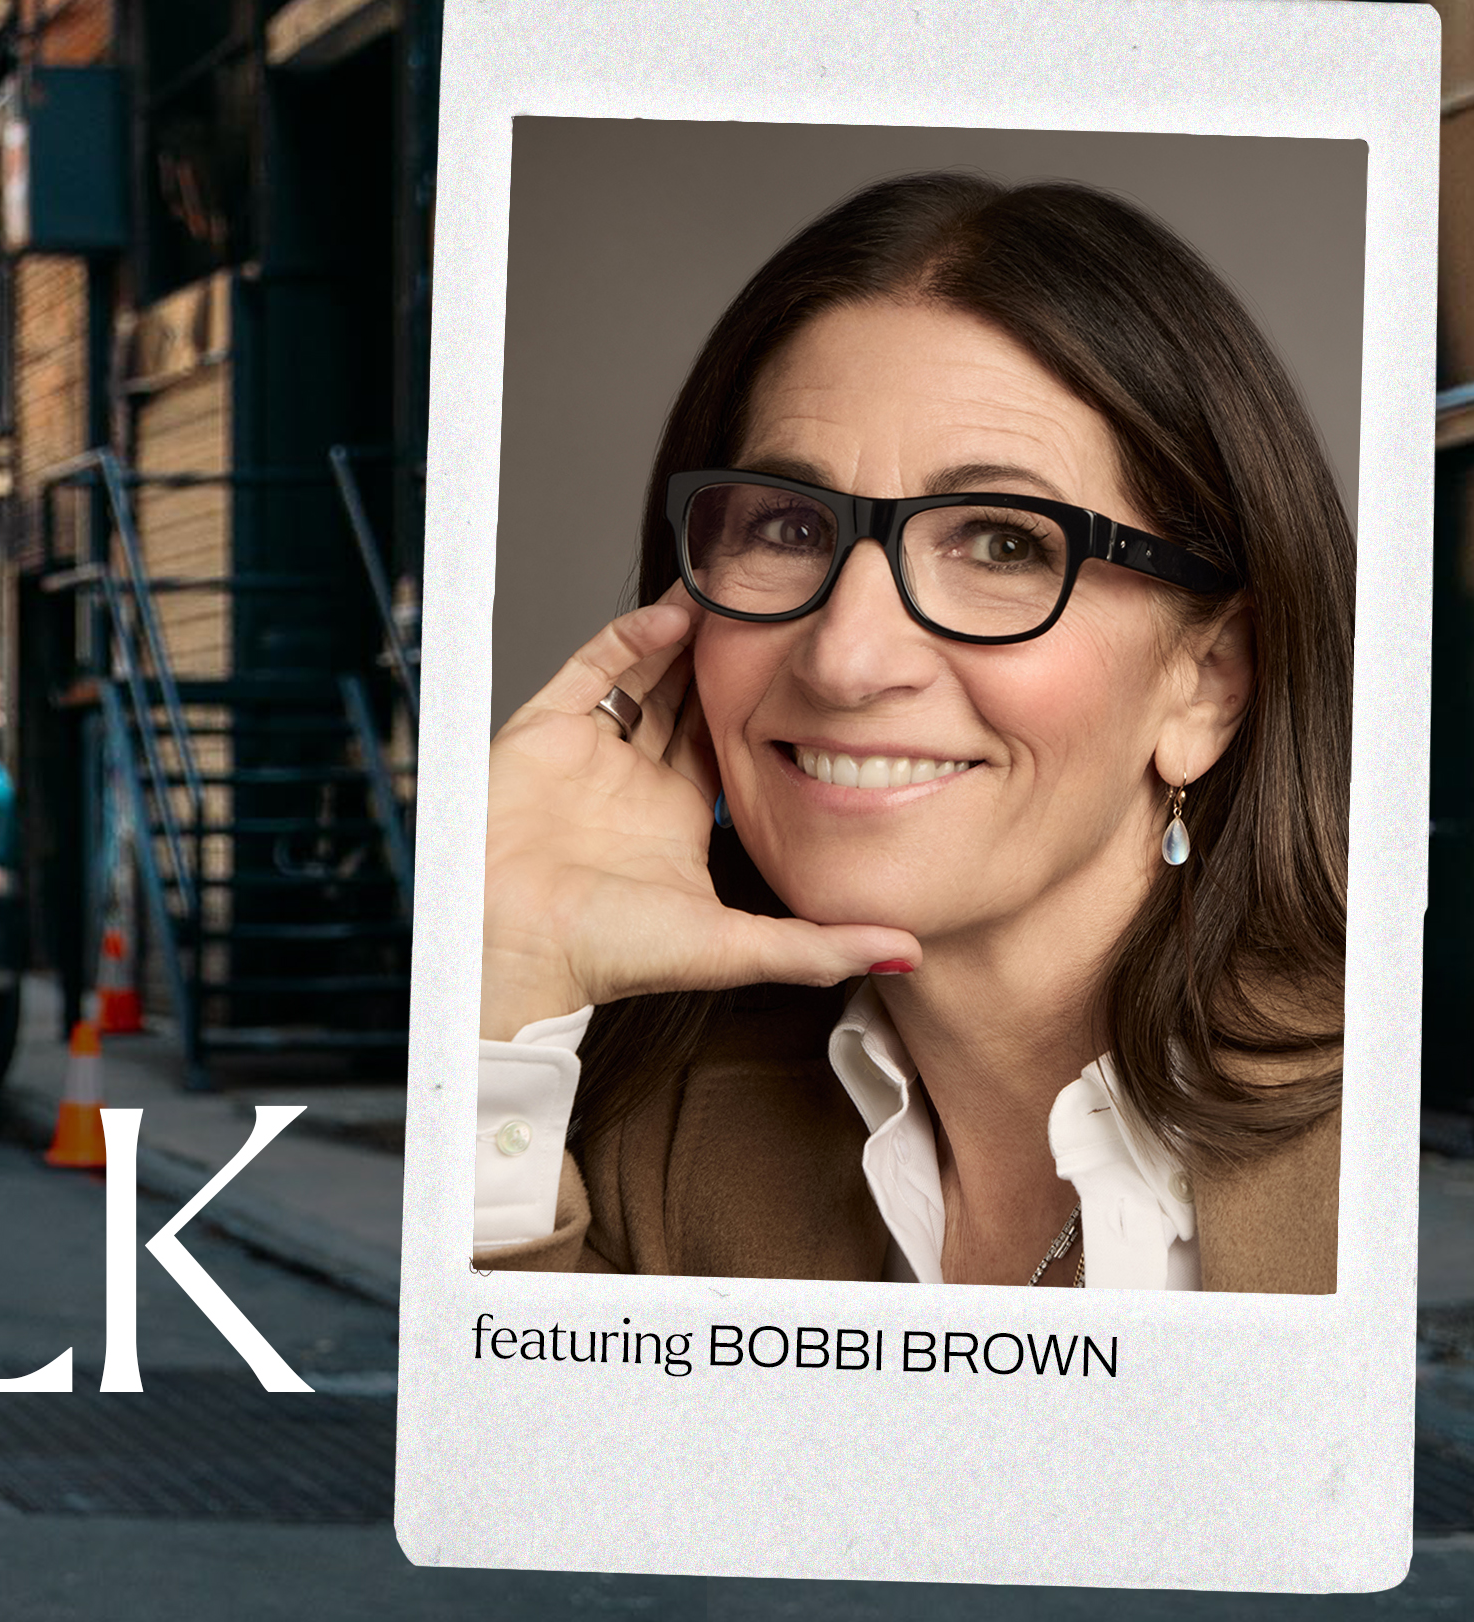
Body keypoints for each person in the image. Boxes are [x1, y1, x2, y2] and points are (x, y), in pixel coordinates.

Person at [475, 172, 1348, 1292]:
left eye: (1000, 544)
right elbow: (529, 1447)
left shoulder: (1379, 1153)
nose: (846, 655)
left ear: (1208, 684)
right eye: (789, 525)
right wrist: (505, 976)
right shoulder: (669, 1151)